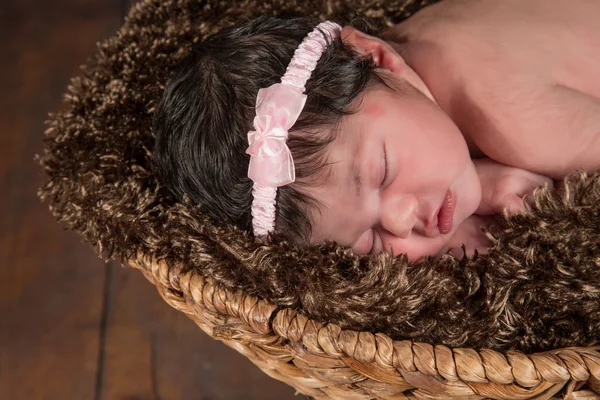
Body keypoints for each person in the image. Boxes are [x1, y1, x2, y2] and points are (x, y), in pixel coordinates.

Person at [152, 0, 600, 262]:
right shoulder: (403, 77)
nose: (402, 222)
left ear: (377, 57)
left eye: (383, 172)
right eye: (370, 241)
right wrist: (478, 184)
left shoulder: (512, 117)